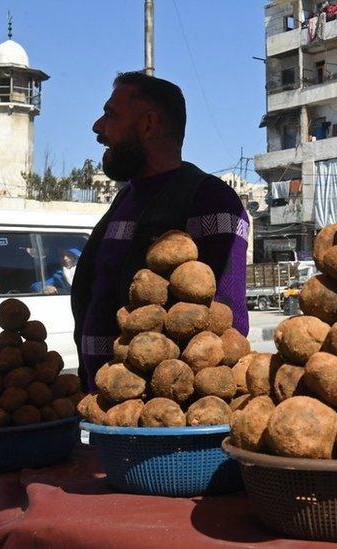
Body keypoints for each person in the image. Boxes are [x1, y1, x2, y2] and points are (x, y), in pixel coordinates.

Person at [72, 72, 249, 391]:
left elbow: (225, 325)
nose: (98, 128)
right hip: (107, 406)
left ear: (149, 124)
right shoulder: (125, 198)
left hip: (160, 413)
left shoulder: (209, 199)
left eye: (111, 114)